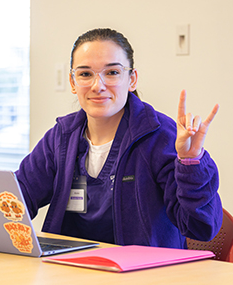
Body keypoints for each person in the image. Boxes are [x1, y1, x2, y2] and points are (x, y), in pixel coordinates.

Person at [15, 28, 222, 248]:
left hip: (144, 274)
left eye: (112, 72)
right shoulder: (61, 138)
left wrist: (191, 163)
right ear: (73, 82)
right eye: (85, 74)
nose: (98, 86)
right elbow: (17, 198)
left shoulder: (160, 136)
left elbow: (201, 226)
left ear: (131, 79)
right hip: (71, 268)